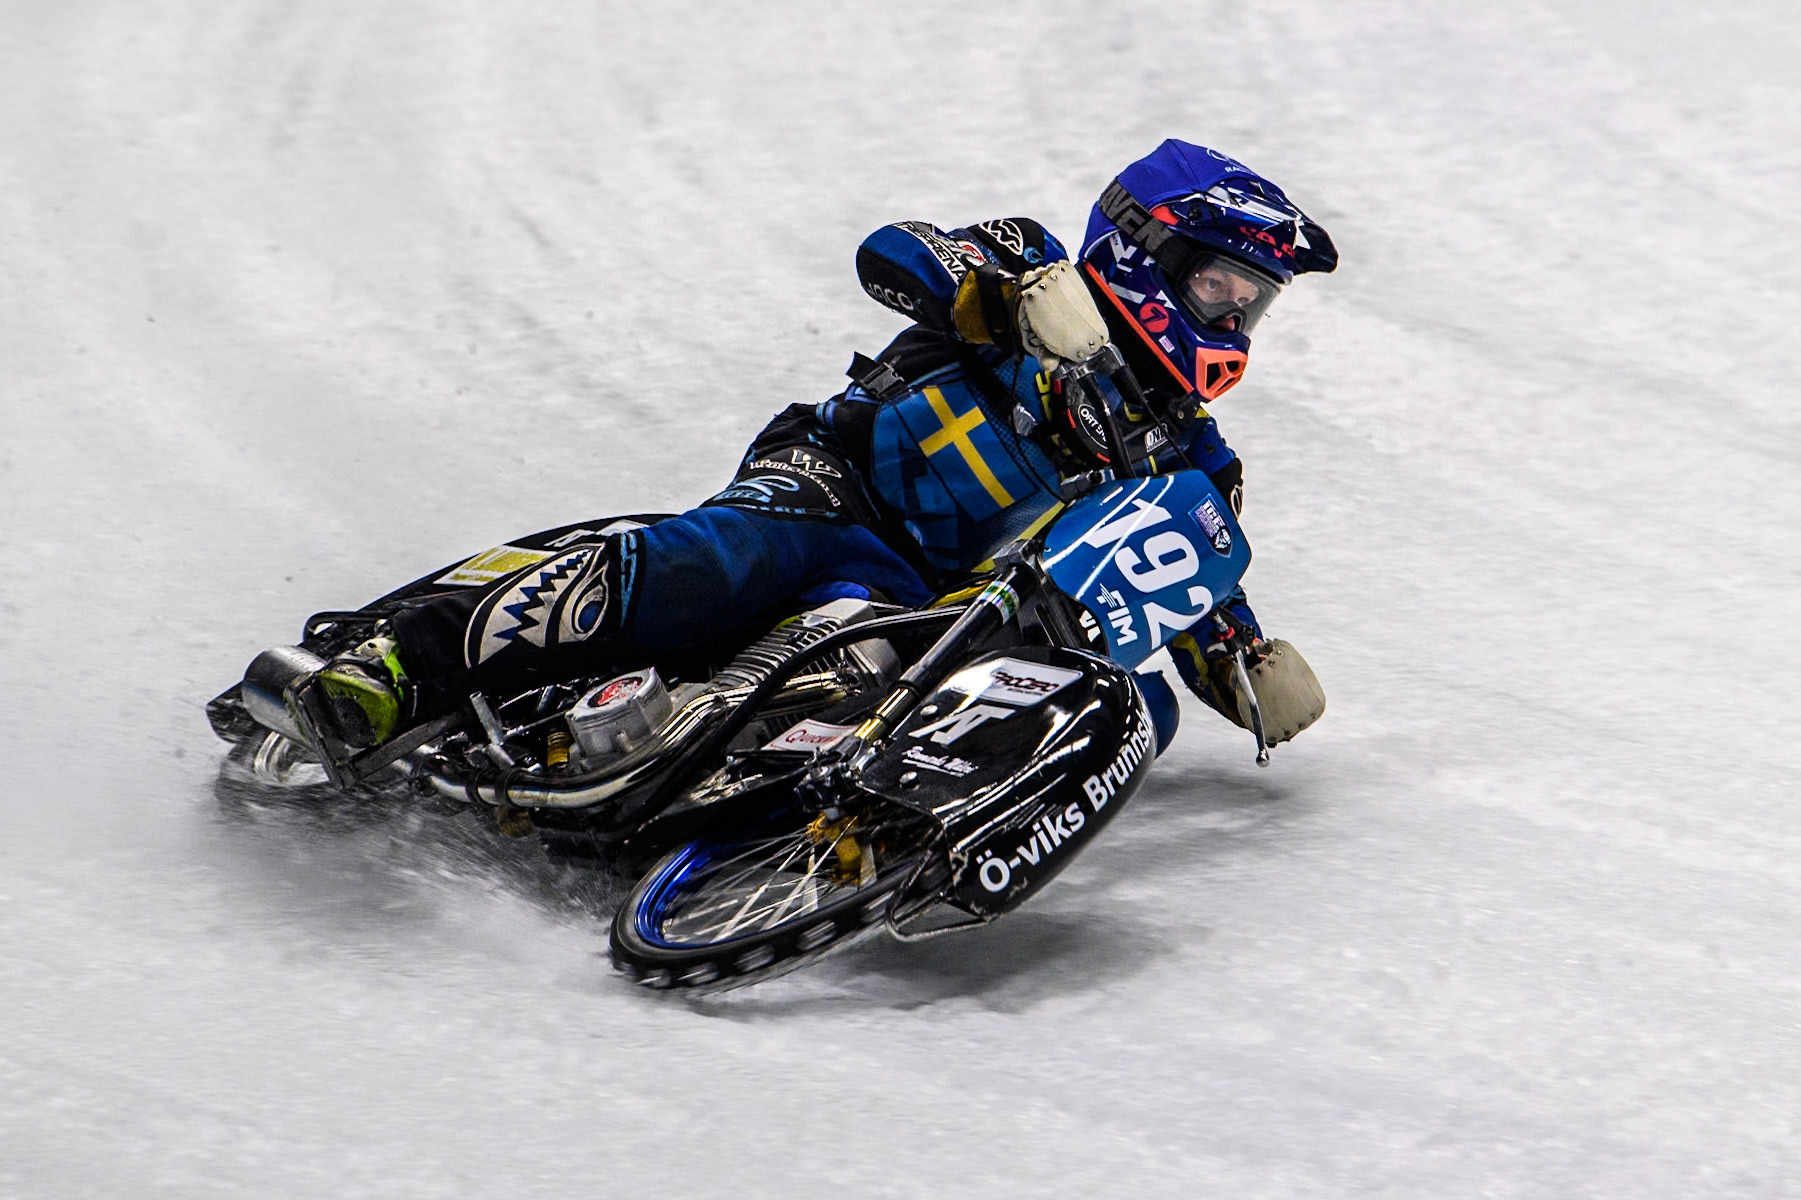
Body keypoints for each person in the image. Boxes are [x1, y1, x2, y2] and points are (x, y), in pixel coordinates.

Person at [314, 139, 1335, 757]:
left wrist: (1239, 662)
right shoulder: (1033, 260)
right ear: (1146, 249)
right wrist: (1015, 300)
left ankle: (779, 809)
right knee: (720, 562)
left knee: (922, 684)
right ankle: (406, 658)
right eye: (1219, 288)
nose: (1236, 318)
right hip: (832, 486)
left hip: (935, 601)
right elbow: (894, 252)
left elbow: (1169, 574)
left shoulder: (1193, 459)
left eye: (1253, 304)